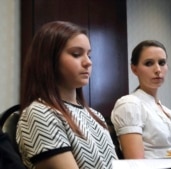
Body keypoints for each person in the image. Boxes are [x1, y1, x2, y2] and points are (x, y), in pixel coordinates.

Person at [16, 21, 118, 169]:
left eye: (89, 55)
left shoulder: (96, 116)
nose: (88, 62)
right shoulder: (39, 113)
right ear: (49, 60)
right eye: (76, 54)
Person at [111, 40, 171, 159]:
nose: (158, 70)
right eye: (149, 63)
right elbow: (136, 163)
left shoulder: (170, 113)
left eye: (162, 63)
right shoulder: (130, 104)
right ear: (134, 69)